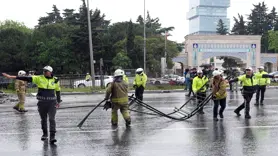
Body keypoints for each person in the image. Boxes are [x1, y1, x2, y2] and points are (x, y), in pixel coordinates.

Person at [2, 66, 61, 144]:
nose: (44, 72)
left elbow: (58, 91)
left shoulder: (55, 80)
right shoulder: (39, 78)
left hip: (52, 103)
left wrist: (58, 101)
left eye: (46, 71)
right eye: (43, 71)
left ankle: (52, 136)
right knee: (43, 119)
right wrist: (11, 77)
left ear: (50, 72)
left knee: (51, 119)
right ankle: (45, 134)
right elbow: (26, 78)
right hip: (42, 102)